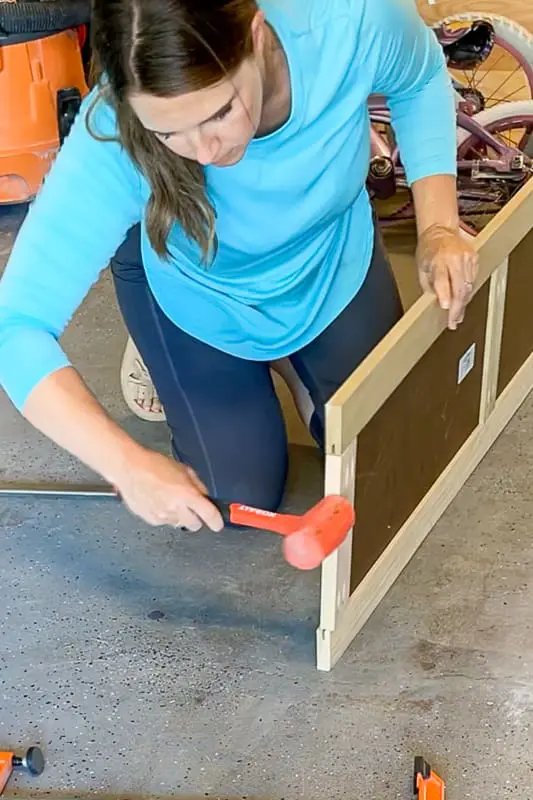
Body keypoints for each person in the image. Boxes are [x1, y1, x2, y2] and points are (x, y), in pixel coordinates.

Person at [0, 0, 478, 534]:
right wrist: (127, 465)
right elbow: (15, 325)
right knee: (236, 500)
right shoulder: (112, 127)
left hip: (328, 260)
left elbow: (420, 77)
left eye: (219, 112)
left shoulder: (347, 20)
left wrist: (438, 226)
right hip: (199, 289)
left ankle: (288, 359)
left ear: (256, 34)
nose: (203, 152)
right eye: (168, 134)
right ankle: (155, 313)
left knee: (395, 454)